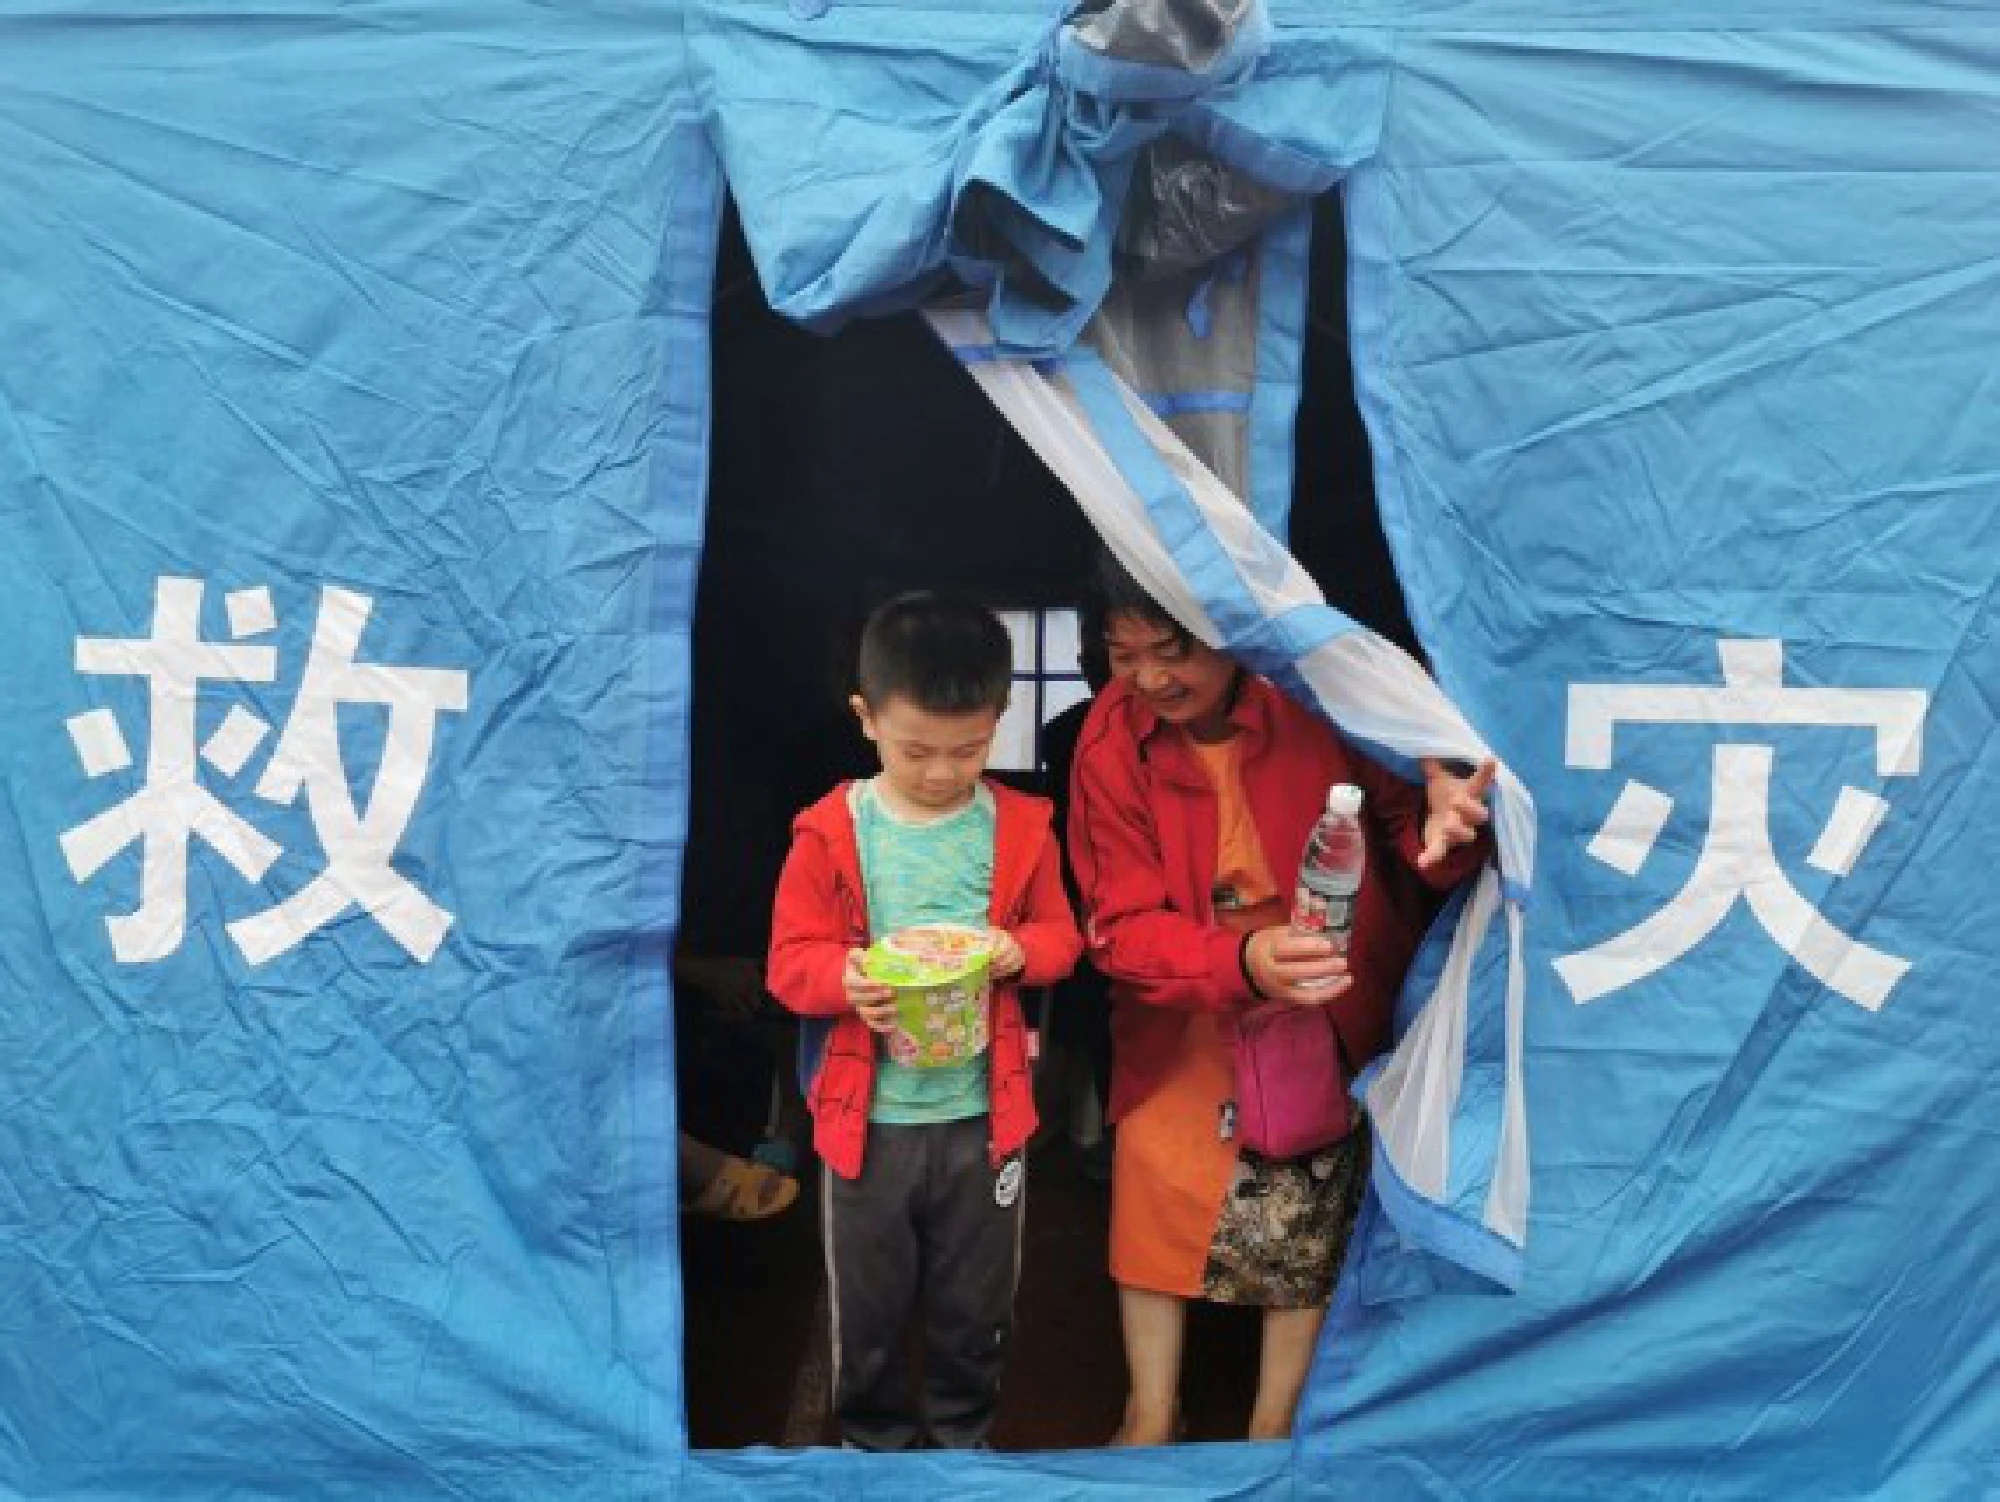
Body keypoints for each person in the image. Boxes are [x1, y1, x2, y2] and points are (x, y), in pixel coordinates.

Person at [1067, 555, 1494, 1446]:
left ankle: (1275, 1421)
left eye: (1174, 650)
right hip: (1183, 989)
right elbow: (1123, 922)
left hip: (1322, 983)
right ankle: (1151, 1412)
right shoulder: (1111, 738)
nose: (1150, 678)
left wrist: (1447, 829)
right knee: (1155, 1184)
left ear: (1234, 638)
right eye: (1123, 653)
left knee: (1304, 1192)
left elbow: (1407, 828)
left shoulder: (1319, 696)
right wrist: (1241, 958)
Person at [767, 592, 1083, 1451]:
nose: (943, 772)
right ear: (865, 718)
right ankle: (872, 1446)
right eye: (916, 750)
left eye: (969, 749)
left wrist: (1020, 952)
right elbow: (788, 963)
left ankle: (961, 1442)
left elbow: (1064, 939)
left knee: (976, 1305)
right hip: (867, 1123)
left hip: (987, 1119)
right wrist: (847, 976)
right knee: (866, 1308)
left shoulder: (1023, 829)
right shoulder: (833, 831)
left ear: (1000, 718)